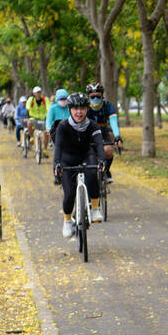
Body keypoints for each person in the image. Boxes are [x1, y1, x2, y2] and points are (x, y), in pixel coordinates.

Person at [54, 93, 106, 238]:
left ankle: (95, 208)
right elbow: (58, 147)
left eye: (82, 108)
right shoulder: (63, 126)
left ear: (87, 110)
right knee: (69, 193)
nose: (79, 112)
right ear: (70, 110)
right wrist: (56, 164)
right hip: (67, 159)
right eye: (75, 108)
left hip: (86, 155)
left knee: (92, 174)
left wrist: (102, 160)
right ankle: (67, 221)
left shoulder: (92, 125)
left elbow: (99, 145)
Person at [85, 83, 123, 183]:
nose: (95, 98)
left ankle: (106, 170)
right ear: (88, 97)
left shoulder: (107, 105)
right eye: (92, 97)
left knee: (108, 151)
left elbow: (113, 122)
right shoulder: (84, 106)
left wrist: (117, 136)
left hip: (102, 131)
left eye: (98, 96)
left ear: (102, 96)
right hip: (88, 132)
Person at [47, 89, 71, 185]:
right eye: (61, 99)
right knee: (58, 153)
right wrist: (49, 130)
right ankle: (57, 175)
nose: (63, 100)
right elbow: (49, 121)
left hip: (70, 134)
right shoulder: (52, 109)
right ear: (57, 99)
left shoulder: (70, 108)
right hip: (56, 134)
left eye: (65, 98)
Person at [26, 86, 51, 156]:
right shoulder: (31, 100)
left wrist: (49, 118)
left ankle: (45, 149)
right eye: (37, 92)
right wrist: (27, 118)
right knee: (29, 123)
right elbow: (27, 109)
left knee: (46, 133)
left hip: (43, 118)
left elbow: (49, 108)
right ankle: (31, 137)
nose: (38, 94)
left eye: (39, 92)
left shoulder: (45, 99)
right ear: (34, 93)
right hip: (33, 118)